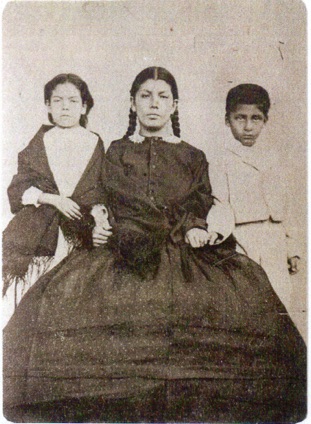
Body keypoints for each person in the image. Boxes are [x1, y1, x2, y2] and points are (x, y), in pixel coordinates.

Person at [3, 67, 306, 423]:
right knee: (66, 301)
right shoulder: (115, 150)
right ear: (133, 102)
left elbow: (201, 200)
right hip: (123, 247)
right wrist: (98, 226)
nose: (153, 104)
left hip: (183, 246)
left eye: (163, 97)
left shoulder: (193, 155)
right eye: (145, 96)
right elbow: (101, 197)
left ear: (175, 105)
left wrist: (196, 227)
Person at [2, 73, 106, 315]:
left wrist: (99, 217)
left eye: (72, 101)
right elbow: (19, 188)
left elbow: (100, 190)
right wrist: (53, 199)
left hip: (80, 230)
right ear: (48, 105)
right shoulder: (41, 141)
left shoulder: (94, 142)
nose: (65, 107)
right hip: (39, 229)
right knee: (31, 301)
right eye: (57, 101)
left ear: (84, 106)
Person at [217, 83, 301, 314]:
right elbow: (220, 205)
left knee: (280, 300)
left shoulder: (274, 159)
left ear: (265, 120)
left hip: (274, 241)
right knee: (247, 304)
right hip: (243, 240)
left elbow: (287, 208)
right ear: (227, 120)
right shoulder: (222, 160)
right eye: (240, 118)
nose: (247, 127)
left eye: (256, 119)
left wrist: (292, 249)